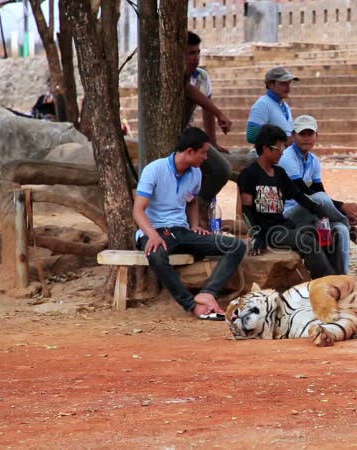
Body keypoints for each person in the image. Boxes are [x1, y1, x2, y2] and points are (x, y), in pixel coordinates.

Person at [133, 127, 247, 318]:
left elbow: (192, 201)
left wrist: (194, 226)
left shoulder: (195, 173)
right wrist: (151, 234)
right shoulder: (154, 169)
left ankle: (207, 293)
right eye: (203, 153)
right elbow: (138, 210)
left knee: (236, 246)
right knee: (156, 256)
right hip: (155, 231)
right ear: (190, 152)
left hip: (181, 231)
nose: (205, 158)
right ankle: (191, 305)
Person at [237, 124, 338, 278]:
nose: (282, 153)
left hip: (284, 225)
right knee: (308, 243)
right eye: (279, 149)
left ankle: (332, 275)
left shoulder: (279, 173)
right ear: (266, 148)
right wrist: (257, 235)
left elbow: (298, 196)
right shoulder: (249, 174)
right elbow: (247, 210)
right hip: (269, 232)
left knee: (322, 234)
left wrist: (319, 211)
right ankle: (328, 281)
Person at [279, 115, 357, 274]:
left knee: (340, 229)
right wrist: (342, 207)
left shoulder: (313, 160)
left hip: (312, 212)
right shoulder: (288, 158)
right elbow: (304, 193)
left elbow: (319, 190)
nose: (306, 139)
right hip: (290, 215)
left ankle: (342, 278)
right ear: (293, 136)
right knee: (321, 199)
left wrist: (337, 210)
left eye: (310, 134)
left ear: (316, 135)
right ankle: (350, 228)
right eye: (302, 134)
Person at [183, 31, 235, 204]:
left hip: (189, 135)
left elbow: (207, 112)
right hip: (172, 136)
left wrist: (212, 142)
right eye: (191, 53)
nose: (196, 57)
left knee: (221, 170)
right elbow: (190, 91)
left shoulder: (202, 77)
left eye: (197, 52)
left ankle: (200, 206)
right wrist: (220, 113)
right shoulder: (173, 75)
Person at [246, 66, 299, 146]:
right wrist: (282, 141)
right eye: (283, 83)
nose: (288, 88)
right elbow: (252, 135)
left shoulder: (285, 106)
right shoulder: (263, 104)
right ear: (270, 84)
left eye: (289, 83)